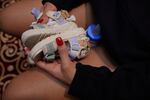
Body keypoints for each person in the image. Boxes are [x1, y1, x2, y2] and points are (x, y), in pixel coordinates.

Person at [1, 0, 150, 100]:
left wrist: (79, 78)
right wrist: (56, 2)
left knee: (16, 93)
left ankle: (68, 50)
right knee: (6, 17)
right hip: (102, 7)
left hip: (123, 62)